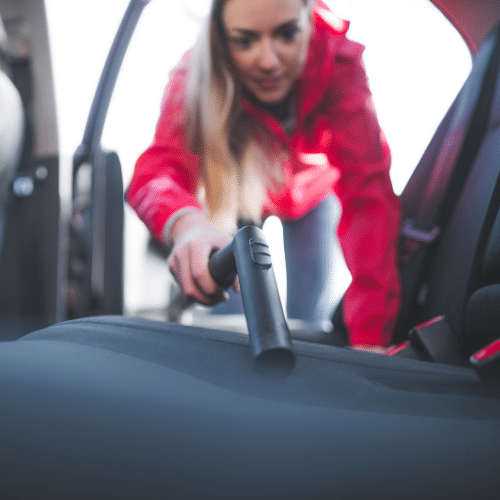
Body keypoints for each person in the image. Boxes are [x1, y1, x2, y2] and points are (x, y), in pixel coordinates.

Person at [126, 0, 401, 350]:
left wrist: (370, 341)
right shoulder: (194, 75)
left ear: (308, 20)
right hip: (238, 192)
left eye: (287, 34)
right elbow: (155, 172)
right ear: (222, 39)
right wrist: (188, 225)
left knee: (310, 312)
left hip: (312, 195)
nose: (268, 61)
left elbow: (369, 199)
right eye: (244, 41)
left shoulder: (339, 62)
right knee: (230, 319)